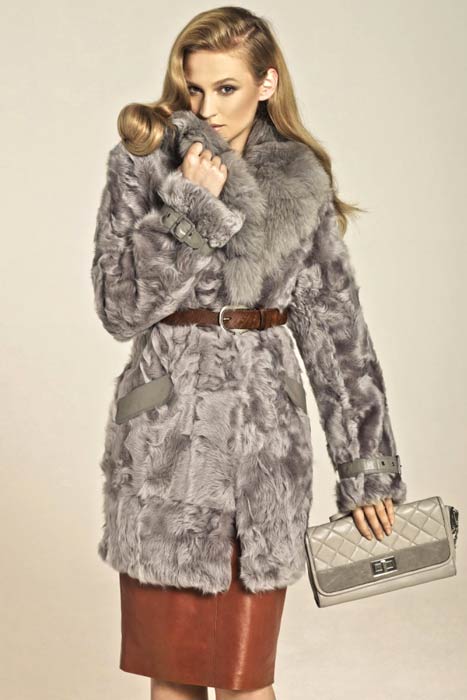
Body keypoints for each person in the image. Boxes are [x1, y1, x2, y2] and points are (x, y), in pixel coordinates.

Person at [91, 6, 408, 700]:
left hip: (261, 445)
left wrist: (366, 466)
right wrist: (189, 208)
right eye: (194, 88)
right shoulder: (144, 161)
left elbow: (335, 329)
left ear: (266, 83)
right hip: (165, 448)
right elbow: (119, 308)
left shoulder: (300, 177)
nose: (206, 108)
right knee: (173, 680)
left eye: (226, 88)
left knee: (244, 684)